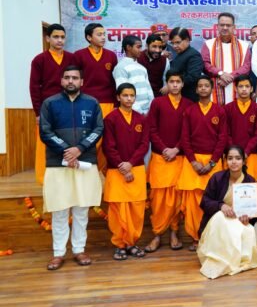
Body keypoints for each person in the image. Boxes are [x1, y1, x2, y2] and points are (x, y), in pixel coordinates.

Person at [39, 65, 104, 271]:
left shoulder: (92, 103)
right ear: (61, 81)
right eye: (67, 77)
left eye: (75, 78)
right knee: (59, 209)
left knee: (81, 209)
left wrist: (80, 149)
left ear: (81, 82)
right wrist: (67, 151)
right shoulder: (50, 103)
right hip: (58, 163)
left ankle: (79, 249)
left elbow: (98, 129)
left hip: (85, 163)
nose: (70, 81)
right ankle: (58, 253)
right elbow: (45, 131)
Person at [144, 70, 193, 253]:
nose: (174, 85)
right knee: (158, 199)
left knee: (176, 198)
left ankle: (174, 232)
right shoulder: (157, 103)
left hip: (179, 157)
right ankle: (157, 234)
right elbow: (151, 128)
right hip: (160, 157)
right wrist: (164, 149)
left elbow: (189, 132)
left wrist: (177, 149)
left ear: (182, 84)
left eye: (178, 82)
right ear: (167, 83)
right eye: (171, 81)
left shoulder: (189, 104)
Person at [179, 75, 228, 250]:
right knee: (193, 204)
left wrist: (212, 163)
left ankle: (212, 238)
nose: (203, 88)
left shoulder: (219, 111)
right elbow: (185, 138)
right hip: (192, 162)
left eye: (206, 85)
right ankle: (195, 237)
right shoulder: (190, 111)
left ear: (211, 89)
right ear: (196, 89)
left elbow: (222, 139)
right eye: (200, 86)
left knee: (214, 200)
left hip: (213, 162)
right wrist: (193, 162)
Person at [197, 146, 257, 279]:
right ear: (225, 160)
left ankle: (236, 259)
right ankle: (222, 258)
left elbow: (253, 209)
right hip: (219, 220)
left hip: (239, 220)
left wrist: (248, 218)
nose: (234, 162)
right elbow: (205, 202)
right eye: (230, 158)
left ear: (244, 161)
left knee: (248, 231)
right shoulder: (217, 178)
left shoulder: (250, 181)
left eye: (238, 158)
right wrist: (221, 206)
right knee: (222, 219)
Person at [102, 83, 150, 260]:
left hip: (136, 168)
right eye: (125, 95)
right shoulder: (111, 119)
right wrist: (122, 166)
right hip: (116, 170)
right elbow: (108, 146)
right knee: (117, 210)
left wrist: (130, 164)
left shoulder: (140, 119)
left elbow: (144, 145)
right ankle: (119, 245)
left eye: (132, 95)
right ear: (118, 97)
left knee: (137, 209)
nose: (129, 99)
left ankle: (132, 243)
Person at [29, 23, 75, 185]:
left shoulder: (71, 58)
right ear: (47, 38)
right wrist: (37, 113)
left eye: (62, 37)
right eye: (56, 37)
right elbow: (34, 87)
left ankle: (68, 176)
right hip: (47, 109)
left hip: (69, 106)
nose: (59, 40)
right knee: (45, 143)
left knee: (69, 140)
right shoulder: (39, 60)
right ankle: (44, 178)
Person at [74, 23, 118, 173]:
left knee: (107, 138)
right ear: (89, 37)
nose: (103, 37)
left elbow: (114, 81)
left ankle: (102, 171)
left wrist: (116, 104)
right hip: (85, 103)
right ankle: (86, 170)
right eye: (99, 34)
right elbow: (75, 80)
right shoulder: (79, 55)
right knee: (90, 137)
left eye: (104, 34)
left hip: (108, 102)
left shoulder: (111, 56)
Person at [201, 12, 252, 105]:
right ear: (217, 26)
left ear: (234, 27)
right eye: (222, 25)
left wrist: (230, 77)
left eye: (228, 25)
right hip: (216, 87)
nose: (225, 28)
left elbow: (246, 66)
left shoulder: (244, 45)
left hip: (237, 88)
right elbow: (205, 64)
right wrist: (220, 73)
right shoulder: (208, 44)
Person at [224, 75, 257, 180]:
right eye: (241, 86)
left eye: (247, 86)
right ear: (235, 89)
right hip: (232, 155)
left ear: (251, 89)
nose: (244, 89)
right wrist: (234, 152)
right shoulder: (228, 108)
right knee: (230, 183)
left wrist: (246, 152)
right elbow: (226, 133)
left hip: (251, 155)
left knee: (251, 185)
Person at [112, 35, 154, 115]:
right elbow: (124, 93)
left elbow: (149, 91)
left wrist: (152, 109)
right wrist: (140, 112)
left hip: (148, 112)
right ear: (128, 47)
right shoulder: (120, 68)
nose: (140, 50)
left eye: (141, 47)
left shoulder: (142, 68)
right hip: (133, 112)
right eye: (138, 47)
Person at [168, 27, 204, 102]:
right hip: (178, 98)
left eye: (177, 42)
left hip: (189, 99)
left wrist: (172, 85)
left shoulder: (194, 55)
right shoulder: (180, 54)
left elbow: (193, 77)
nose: (174, 46)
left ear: (187, 40)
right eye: (172, 43)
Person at [138, 33, 170, 98]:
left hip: (157, 96)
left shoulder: (165, 61)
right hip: (139, 96)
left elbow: (166, 79)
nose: (157, 50)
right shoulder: (137, 58)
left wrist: (167, 86)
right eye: (154, 46)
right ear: (147, 46)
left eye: (160, 47)